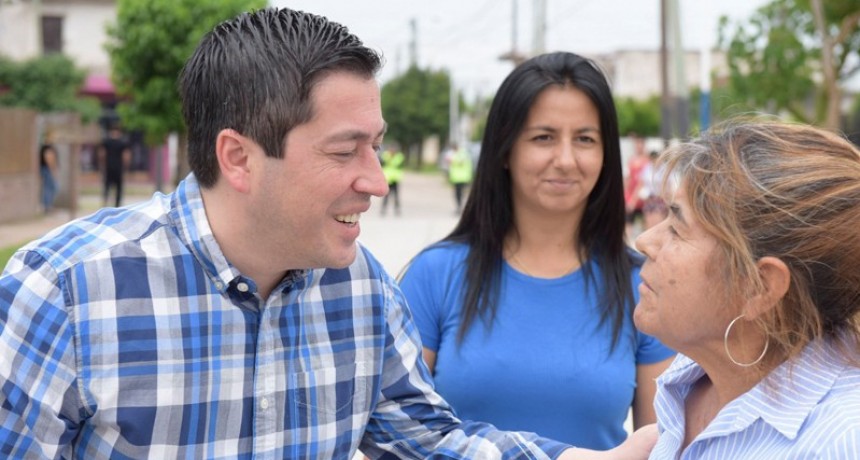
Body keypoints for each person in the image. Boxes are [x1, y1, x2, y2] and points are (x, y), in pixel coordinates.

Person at [0, 8, 657, 459]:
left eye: (378, 146)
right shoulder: (66, 294)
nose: (377, 181)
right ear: (238, 158)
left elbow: (429, 441)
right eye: (345, 152)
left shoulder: (359, 287)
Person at [398, 52, 675, 451]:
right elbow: (395, 443)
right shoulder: (435, 275)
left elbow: (664, 447)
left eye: (585, 139)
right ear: (505, 149)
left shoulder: (643, 284)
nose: (565, 160)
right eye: (543, 137)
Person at [634, 120, 860, 458]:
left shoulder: (838, 443)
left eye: (677, 230)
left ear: (759, 287)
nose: (644, 241)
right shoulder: (699, 374)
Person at [98, 124, 131, 207]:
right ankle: (117, 206)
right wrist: (126, 167)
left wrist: (102, 165)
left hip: (108, 167)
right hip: (118, 168)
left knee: (107, 187)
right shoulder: (122, 142)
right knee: (118, 188)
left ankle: (105, 204)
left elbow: (102, 154)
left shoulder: (106, 142)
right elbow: (126, 156)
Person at [624, 134, 649, 234]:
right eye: (637, 144)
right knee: (628, 220)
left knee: (646, 222)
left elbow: (642, 182)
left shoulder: (647, 161)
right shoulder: (631, 160)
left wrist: (634, 199)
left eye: (640, 144)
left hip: (642, 197)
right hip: (631, 194)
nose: (638, 146)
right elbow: (628, 178)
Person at [446, 142, 473, 212]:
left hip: (463, 177)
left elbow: (460, 162)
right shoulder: (454, 154)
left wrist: (452, 160)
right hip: (456, 178)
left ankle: (462, 207)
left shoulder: (462, 154)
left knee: (461, 193)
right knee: (458, 193)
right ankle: (459, 206)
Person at [380, 145, 405, 215]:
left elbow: (399, 165)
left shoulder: (399, 157)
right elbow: (381, 163)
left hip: (395, 179)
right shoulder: (385, 156)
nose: (392, 151)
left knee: (396, 196)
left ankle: (397, 209)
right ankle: (383, 209)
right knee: (386, 196)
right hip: (387, 178)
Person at [38, 143, 58, 213]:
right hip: (47, 170)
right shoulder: (47, 148)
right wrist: (52, 170)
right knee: (50, 189)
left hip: (45, 169)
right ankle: (47, 206)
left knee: (49, 188)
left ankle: (47, 206)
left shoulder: (45, 147)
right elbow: (49, 159)